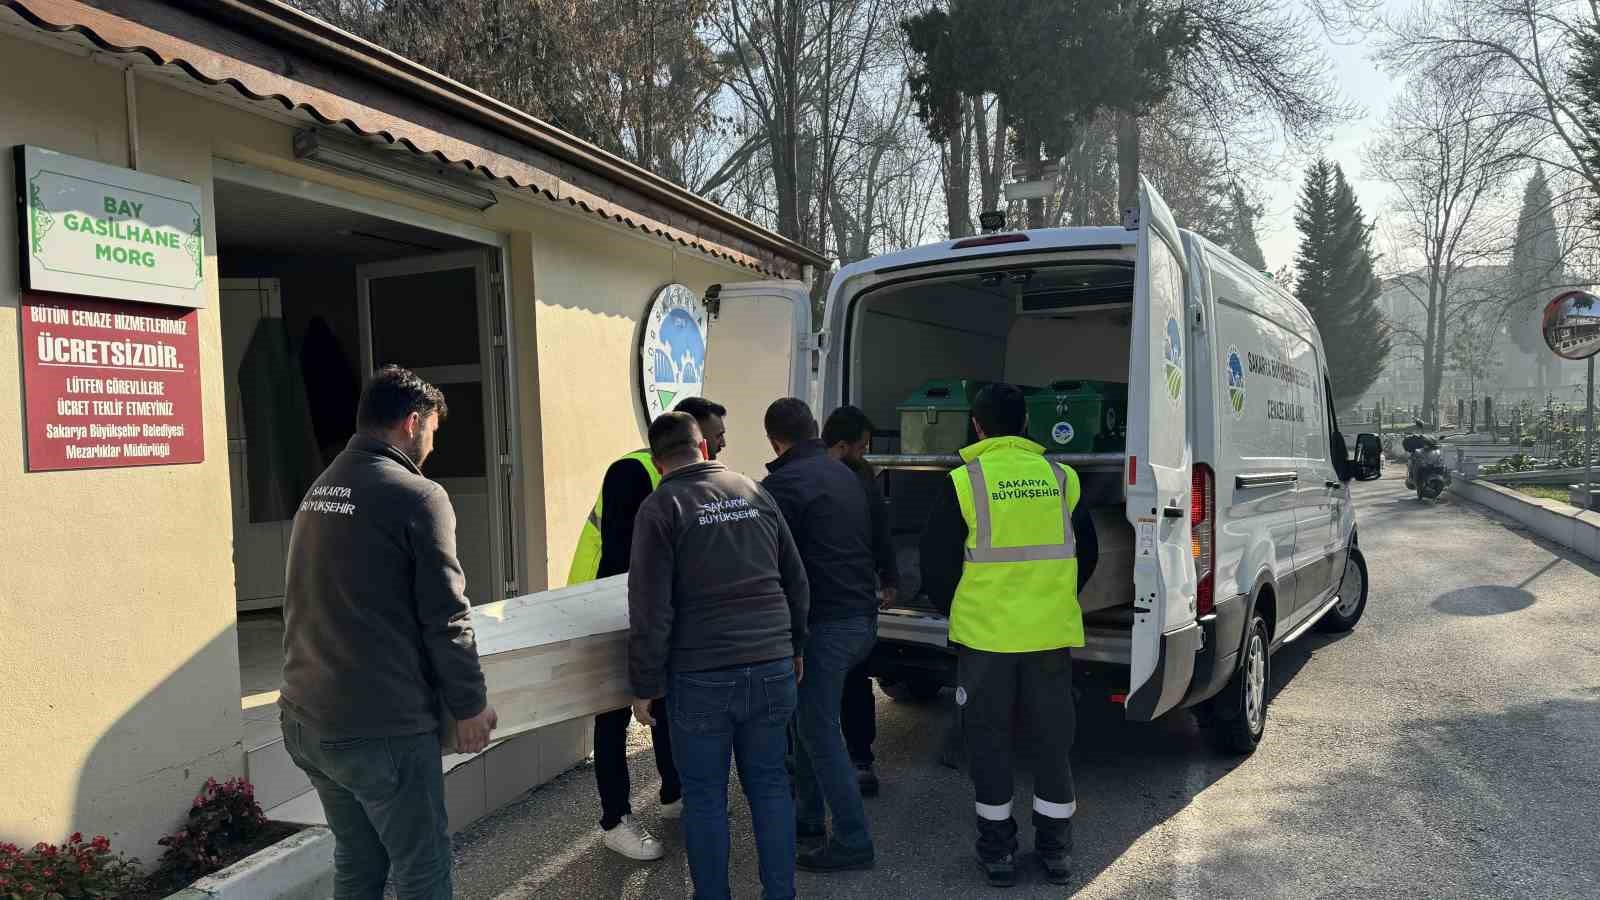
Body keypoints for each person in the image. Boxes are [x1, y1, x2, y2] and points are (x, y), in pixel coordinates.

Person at [279, 365, 496, 900]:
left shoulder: (323, 486)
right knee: (424, 870)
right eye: (432, 431)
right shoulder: (417, 495)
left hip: (307, 718)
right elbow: (446, 615)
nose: (432, 446)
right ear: (412, 422)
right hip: (379, 730)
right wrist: (469, 705)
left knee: (359, 861)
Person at [919, 383, 1098, 888]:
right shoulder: (1061, 477)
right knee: (1052, 743)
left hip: (986, 640)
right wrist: (1053, 596)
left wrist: (963, 610)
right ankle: (1056, 850)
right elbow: (1087, 553)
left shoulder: (964, 482)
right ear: (1025, 423)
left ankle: (998, 852)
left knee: (989, 744)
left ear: (977, 426)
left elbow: (936, 564)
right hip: (1049, 635)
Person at [626, 411, 810, 900]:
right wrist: (794, 647)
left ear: (656, 461)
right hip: (770, 663)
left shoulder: (661, 507)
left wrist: (645, 685)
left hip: (701, 673)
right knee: (769, 785)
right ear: (703, 447)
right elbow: (795, 579)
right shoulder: (753, 491)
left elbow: (650, 607)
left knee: (705, 797)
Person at [566, 396, 726, 860]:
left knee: (664, 702)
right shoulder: (631, 472)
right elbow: (623, 560)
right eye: (713, 438)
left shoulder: (693, 478)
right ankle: (615, 820)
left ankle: (674, 793)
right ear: (689, 436)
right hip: (610, 609)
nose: (718, 447)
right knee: (614, 716)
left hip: (655, 608)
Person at [761, 398, 879, 872]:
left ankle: (854, 839)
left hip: (825, 624)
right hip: (861, 618)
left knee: (816, 728)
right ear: (814, 428)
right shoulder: (845, 474)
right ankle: (809, 818)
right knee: (807, 719)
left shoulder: (780, 487)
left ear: (774, 441)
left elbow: (775, 568)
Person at [821, 405, 899, 797]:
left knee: (850, 680)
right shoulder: (822, 477)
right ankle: (850, 761)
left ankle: (857, 760)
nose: (865, 454)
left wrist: (889, 578)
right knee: (841, 682)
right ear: (840, 445)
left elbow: (880, 532)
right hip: (836, 600)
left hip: (845, 599)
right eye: (862, 446)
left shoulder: (860, 476)